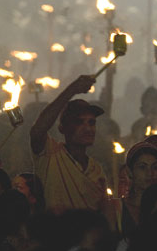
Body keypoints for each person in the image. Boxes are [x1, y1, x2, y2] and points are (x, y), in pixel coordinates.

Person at [30, 75, 108, 213]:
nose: (88, 128)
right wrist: (72, 90)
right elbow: (38, 129)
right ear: (62, 128)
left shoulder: (97, 170)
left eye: (91, 122)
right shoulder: (49, 154)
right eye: (79, 122)